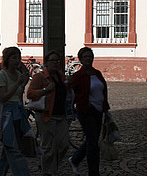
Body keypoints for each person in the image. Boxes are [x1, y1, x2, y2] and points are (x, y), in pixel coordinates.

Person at [27, 50, 69, 176]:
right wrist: (45, 90)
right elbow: (30, 94)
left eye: (57, 61)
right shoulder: (40, 77)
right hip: (46, 115)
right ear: (46, 62)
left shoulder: (61, 76)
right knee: (48, 148)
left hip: (61, 115)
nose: (55, 63)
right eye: (53, 61)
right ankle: (48, 172)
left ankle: (49, 168)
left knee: (64, 145)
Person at [68, 47, 108, 176]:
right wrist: (82, 103)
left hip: (98, 110)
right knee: (93, 144)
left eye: (90, 57)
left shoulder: (97, 73)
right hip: (85, 111)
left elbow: (103, 91)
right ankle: (93, 172)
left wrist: (106, 109)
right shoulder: (78, 76)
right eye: (85, 57)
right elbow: (72, 93)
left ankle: (75, 159)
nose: (88, 59)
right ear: (80, 60)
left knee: (93, 139)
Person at [0, 46, 32, 176]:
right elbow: (3, 97)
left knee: (7, 152)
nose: (17, 61)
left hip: (18, 113)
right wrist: (18, 84)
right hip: (7, 115)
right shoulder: (0, 75)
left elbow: (19, 96)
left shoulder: (19, 74)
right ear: (7, 60)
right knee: (13, 149)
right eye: (14, 58)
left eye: (19, 58)